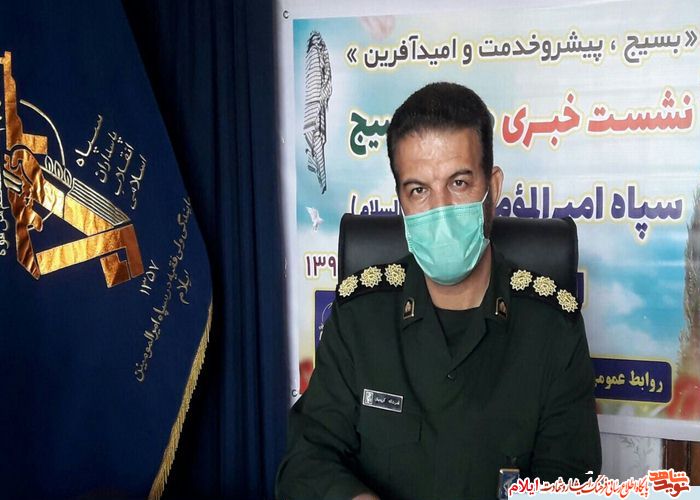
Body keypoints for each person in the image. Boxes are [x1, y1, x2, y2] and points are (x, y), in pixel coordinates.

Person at [276, 82, 601, 500]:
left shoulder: (552, 326)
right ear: (401, 201)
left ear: (492, 188)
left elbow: (570, 484)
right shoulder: (359, 317)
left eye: (459, 183)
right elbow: (306, 461)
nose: (441, 210)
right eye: (419, 191)